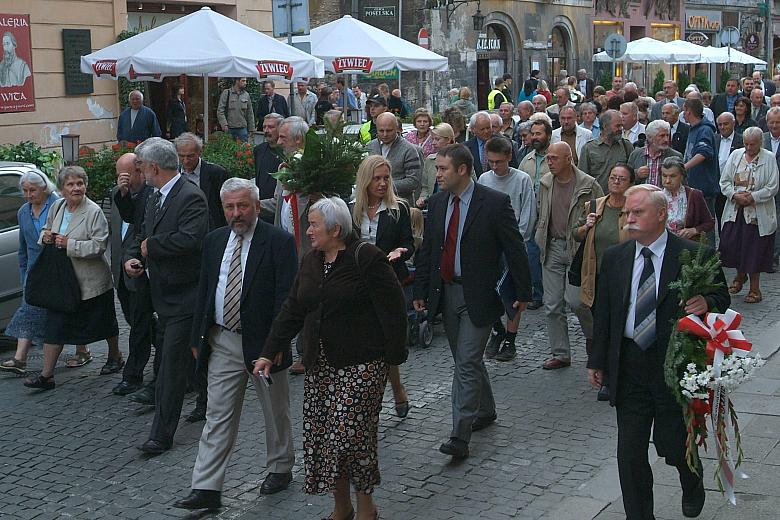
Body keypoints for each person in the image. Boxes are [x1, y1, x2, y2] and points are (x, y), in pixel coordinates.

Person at [256, 196, 407, 520]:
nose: (308, 231)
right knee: (324, 437)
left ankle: (367, 509)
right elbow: (293, 308)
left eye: (313, 225)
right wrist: (269, 351)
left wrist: (391, 359)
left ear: (335, 229)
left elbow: (393, 309)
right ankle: (342, 508)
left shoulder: (366, 257)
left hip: (362, 362)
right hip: (320, 364)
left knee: (351, 437)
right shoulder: (311, 260)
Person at [588, 183, 729, 520]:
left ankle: (691, 480)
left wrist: (706, 302)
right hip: (630, 365)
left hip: (674, 368)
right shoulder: (616, 258)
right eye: (626, 213)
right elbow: (604, 311)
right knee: (631, 455)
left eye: (637, 212)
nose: (629, 219)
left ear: (662, 214)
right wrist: (597, 360)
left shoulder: (694, 255)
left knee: (672, 446)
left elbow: (722, 298)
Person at [173, 178, 297, 511]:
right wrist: (198, 336)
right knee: (218, 415)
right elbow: (205, 291)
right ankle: (207, 488)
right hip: (223, 340)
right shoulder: (214, 241)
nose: (236, 213)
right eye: (230, 206)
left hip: (265, 345)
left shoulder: (279, 242)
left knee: (275, 410)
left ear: (257, 206)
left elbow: (287, 298)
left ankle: (281, 465)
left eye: (243, 206)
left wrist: (276, 345)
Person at [413, 143, 531, 459]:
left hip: (479, 296)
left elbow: (515, 248)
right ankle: (486, 409)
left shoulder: (493, 203)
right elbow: (429, 250)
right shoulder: (437, 204)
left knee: (465, 362)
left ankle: (459, 436)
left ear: (462, 170)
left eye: (442, 169)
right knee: (468, 360)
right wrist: (420, 292)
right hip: (447, 294)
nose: (436, 174)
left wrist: (522, 293)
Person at [124, 137, 209, 454]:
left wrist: (152, 248)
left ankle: (161, 435)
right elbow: (142, 235)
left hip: (186, 296)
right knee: (188, 359)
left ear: (154, 167)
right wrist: (134, 258)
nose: (140, 172)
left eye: (142, 167)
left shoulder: (191, 197)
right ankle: (207, 399)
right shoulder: (153, 196)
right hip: (160, 293)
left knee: (171, 366)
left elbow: (190, 239)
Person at [22, 166, 121, 390]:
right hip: (62, 282)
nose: (76, 188)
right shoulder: (57, 206)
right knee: (55, 326)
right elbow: (47, 229)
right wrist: (45, 237)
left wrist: (70, 244)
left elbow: (99, 246)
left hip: (91, 282)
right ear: (62, 188)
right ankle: (46, 376)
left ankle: (115, 355)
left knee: (104, 322)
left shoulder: (93, 211)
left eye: (80, 184)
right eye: (71, 184)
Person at [351, 156, 415, 418]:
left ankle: (397, 388)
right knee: (363, 341)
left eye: (386, 178)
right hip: (357, 284)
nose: (382, 183)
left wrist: (401, 251)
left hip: (388, 281)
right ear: (365, 180)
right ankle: (371, 395)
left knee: (387, 338)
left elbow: (409, 243)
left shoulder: (398, 209)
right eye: (376, 178)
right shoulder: (351, 208)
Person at [536, 142, 603, 370]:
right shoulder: (545, 183)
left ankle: (594, 339)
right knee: (552, 304)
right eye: (548, 158)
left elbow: (600, 212)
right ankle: (560, 353)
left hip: (578, 249)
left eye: (554, 158)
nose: (550, 162)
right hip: (552, 246)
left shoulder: (588, 185)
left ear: (569, 158)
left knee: (578, 302)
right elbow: (540, 211)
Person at [478, 137, 536, 362]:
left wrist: (515, 242)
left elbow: (527, 214)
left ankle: (511, 339)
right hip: (490, 246)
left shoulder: (522, 179)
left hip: (513, 244)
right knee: (489, 291)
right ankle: (497, 330)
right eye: (491, 162)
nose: (495, 167)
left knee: (513, 294)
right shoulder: (484, 179)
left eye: (499, 162)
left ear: (509, 157)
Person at [0, 170, 60, 374]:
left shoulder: (57, 204)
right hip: (35, 271)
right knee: (28, 310)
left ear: (44, 188)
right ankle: (20, 358)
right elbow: (23, 248)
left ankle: (83, 349)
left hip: (57, 269)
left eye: (32, 190)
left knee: (64, 313)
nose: (28, 195)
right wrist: (24, 274)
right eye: (24, 191)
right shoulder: (23, 212)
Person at [110, 153, 157, 397]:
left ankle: (134, 374)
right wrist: (124, 191)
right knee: (137, 320)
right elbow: (126, 218)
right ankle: (161, 349)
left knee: (140, 324)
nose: (125, 180)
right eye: (120, 175)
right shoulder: (121, 194)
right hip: (125, 269)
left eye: (129, 174)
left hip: (146, 270)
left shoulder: (152, 194)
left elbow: (140, 230)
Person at [720, 126, 779, 304]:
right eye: (746, 144)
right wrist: (734, 195)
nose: (748, 148)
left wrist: (753, 197)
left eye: (752, 144)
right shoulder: (736, 155)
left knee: (754, 250)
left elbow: (773, 186)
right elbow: (725, 181)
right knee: (732, 246)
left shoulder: (768, 158)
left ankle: (755, 289)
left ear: (760, 143)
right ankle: (740, 275)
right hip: (735, 211)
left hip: (757, 215)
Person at [518, 118, 553, 309]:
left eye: (539, 134)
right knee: (532, 252)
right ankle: (537, 292)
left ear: (548, 135)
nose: (534, 137)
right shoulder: (527, 159)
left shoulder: (555, 157)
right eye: (533, 134)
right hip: (531, 213)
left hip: (552, 213)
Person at [682, 98, 719, 245]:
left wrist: (683, 167)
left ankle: (709, 260)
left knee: (705, 226)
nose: (682, 114)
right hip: (694, 186)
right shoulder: (693, 128)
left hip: (704, 188)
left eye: (683, 111)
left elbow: (703, 153)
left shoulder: (704, 130)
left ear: (689, 111)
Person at [365, 112, 422, 205]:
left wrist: (383, 185)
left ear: (397, 129)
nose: (385, 134)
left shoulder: (409, 150)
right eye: (381, 131)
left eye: (389, 130)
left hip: (399, 204)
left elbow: (413, 181)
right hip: (373, 203)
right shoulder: (370, 146)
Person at [175, 132, 228, 231]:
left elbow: (223, 206)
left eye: (190, 156)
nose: (186, 161)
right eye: (181, 156)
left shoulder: (216, 173)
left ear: (200, 151)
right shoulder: (174, 174)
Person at [660, 157, 715, 241]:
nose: (667, 181)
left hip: (686, 246)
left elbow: (709, 222)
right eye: (664, 176)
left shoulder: (694, 195)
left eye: (673, 176)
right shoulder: (656, 196)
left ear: (682, 176)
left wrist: (694, 230)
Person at [579, 109, 634, 193]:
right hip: (598, 199)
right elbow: (582, 179)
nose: (621, 129)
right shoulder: (589, 148)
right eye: (617, 126)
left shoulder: (626, 146)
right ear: (605, 126)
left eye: (621, 126)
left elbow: (632, 175)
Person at [627, 119, 682, 187]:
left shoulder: (675, 156)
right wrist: (637, 174)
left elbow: (682, 182)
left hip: (664, 196)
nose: (666, 139)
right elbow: (626, 179)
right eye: (662, 136)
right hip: (641, 196)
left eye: (667, 135)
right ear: (650, 138)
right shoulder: (635, 154)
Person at [417, 122, 458, 208]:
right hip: (434, 206)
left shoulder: (461, 158)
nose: (433, 143)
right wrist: (422, 198)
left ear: (448, 139)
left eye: (437, 139)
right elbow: (425, 187)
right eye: (432, 139)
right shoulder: (430, 160)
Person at [762, 107, 780, 269]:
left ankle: (774, 257)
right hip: (765, 189)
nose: (774, 125)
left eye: (777, 122)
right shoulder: (763, 139)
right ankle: (768, 256)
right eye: (771, 122)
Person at [216, 78, 255, 142]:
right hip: (229, 128)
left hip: (242, 129)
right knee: (229, 150)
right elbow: (220, 110)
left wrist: (252, 129)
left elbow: (250, 113)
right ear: (237, 81)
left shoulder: (246, 95)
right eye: (243, 81)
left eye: (245, 81)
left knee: (243, 150)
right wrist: (224, 124)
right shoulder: (227, 93)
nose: (245, 83)